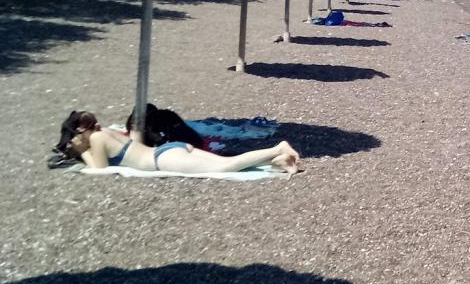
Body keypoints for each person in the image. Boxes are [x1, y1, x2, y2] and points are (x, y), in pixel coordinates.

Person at [54, 110, 300, 175]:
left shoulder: (96, 138)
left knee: (226, 166)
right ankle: (277, 158)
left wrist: (81, 152)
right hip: (170, 151)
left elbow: (100, 169)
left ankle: (277, 149)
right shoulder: (106, 131)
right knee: (229, 163)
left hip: (163, 159)